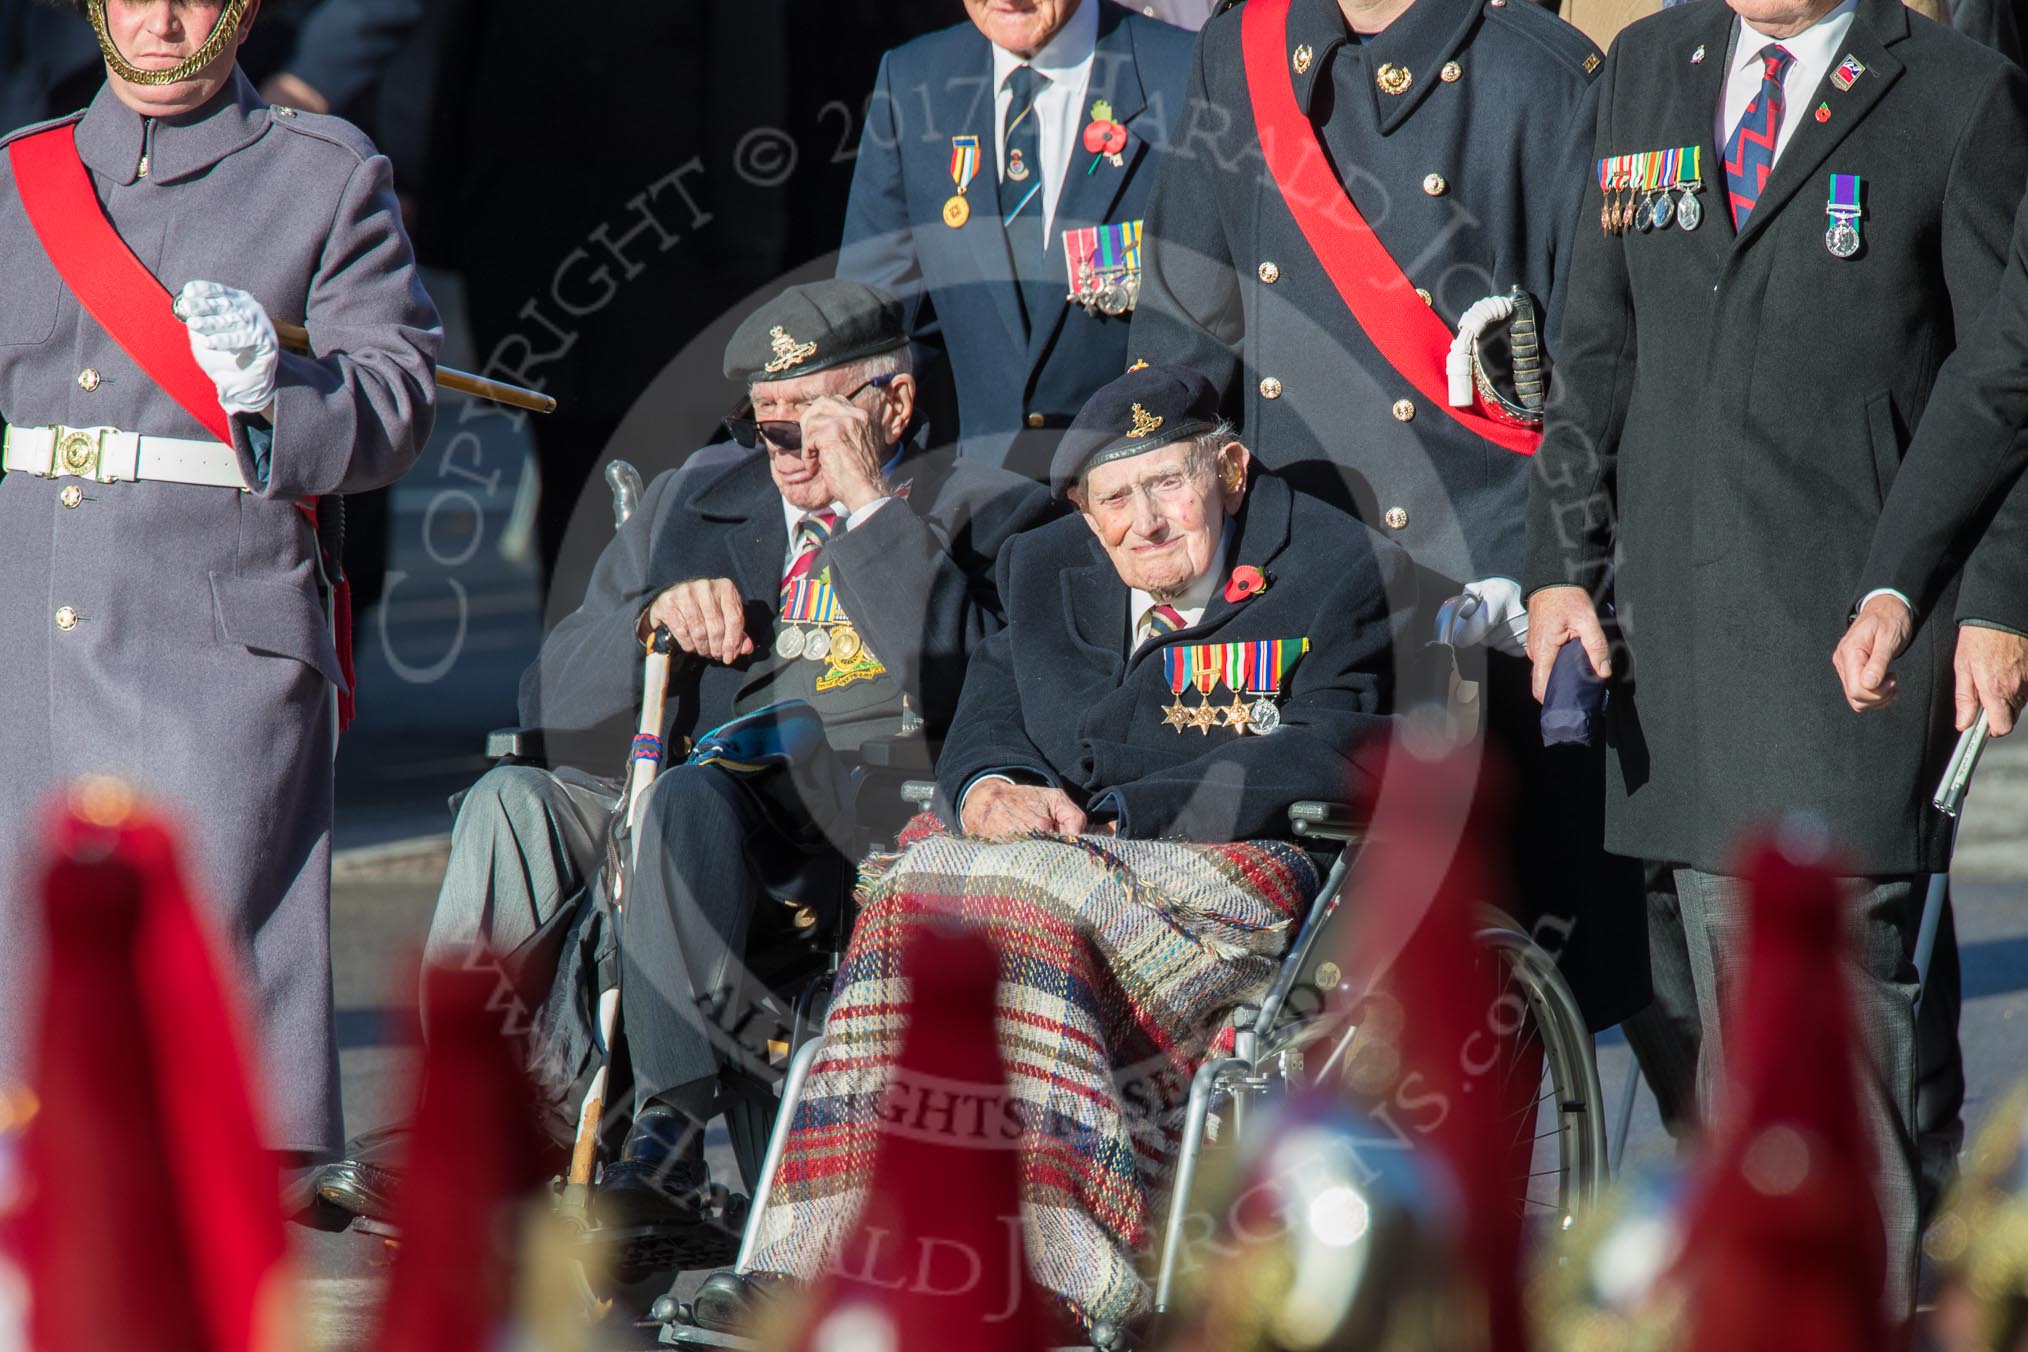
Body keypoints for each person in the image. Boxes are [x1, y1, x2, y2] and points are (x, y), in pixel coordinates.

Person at [316, 281, 1052, 1231]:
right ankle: (467, 1116)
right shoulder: (699, 493)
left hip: (845, 824)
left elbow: (957, 681)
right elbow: (551, 694)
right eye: (765, 424)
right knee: (513, 803)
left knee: (684, 809)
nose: (782, 453)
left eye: (809, 425)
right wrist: (646, 624)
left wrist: (867, 509)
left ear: (894, 407)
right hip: (669, 792)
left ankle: (621, 1143)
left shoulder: (988, 509)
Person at [703, 363, 1412, 1335]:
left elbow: (1336, 745)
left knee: (1021, 897)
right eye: (1116, 496)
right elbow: (989, 705)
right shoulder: (1044, 566)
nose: (1147, 520)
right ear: (1084, 508)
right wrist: (990, 785)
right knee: (920, 885)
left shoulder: (1332, 561)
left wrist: (1131, 806)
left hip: (1228, 867)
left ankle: (1067, 1274)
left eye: (1169, 482)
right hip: (1053, 857)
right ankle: (811, 1257)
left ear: (1232, 470)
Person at [1522, 0, 2028, 1315]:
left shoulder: (1955, 94)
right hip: (1665, 668)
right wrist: (1558, 571)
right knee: (1704, 1077)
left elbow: (2008, 381)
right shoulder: (1648, 66)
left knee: (1826, 1070)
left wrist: (1997, 601)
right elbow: (1595, 345)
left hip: (1846, 655)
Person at [1129, 0, 1648, 1030]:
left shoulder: (1542, 74)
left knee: (1475, 991)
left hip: (1472, 591)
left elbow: (1598, 373)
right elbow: (1185, 328)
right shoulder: (1243, 50)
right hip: (1289, 579)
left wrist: (1554, 569)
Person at [0, 0, 440, 1161]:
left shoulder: (324, 174)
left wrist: (271, 387)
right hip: (30, 614)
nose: (159, 17)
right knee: (34, 973)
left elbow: (395, 401)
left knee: (208, 971)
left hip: (215, 625)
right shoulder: (20, 177)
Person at [838, 0, 1196, 480]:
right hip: (987, 509)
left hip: (1142, 503)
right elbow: (876, 325)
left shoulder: (1184, 69)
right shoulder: (912, 79)